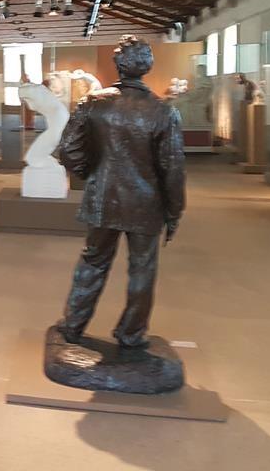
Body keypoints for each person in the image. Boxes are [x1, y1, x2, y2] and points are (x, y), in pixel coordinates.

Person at [55, 35, 186, 348]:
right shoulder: (163, 111)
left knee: (93, 262)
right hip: (146, 203)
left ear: (118, 64)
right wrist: (174, 211)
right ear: (147, 67)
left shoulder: (93, 103)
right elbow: (173, 168)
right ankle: (131, 333)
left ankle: (73, 325)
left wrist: (92, 174)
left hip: (103, 198)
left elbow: (68, 149)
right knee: (142, 268)